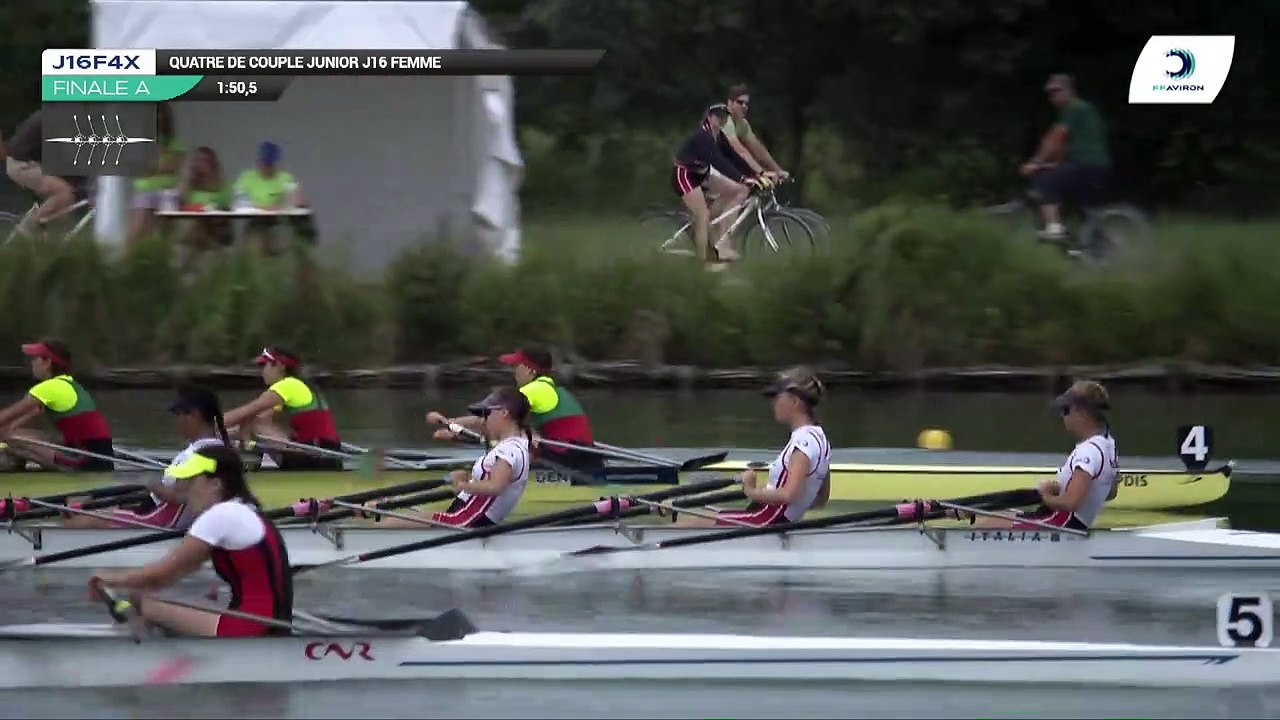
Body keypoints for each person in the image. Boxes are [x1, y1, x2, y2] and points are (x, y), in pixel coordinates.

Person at [89, 445, 293, 638]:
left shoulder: (222, 514)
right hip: (271, 621)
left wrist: (109, 580)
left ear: (216, 484)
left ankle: (139, 664)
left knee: (146, 602)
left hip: (250, 626)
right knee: (169, 596)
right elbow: (171, 576)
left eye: (191, 480)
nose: (183, 490)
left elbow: (159, 576)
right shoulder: (245, 509)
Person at [680, 367, 831, 527]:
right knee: (706, 515)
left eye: (776, 397)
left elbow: (788, 495)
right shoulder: (821, 439)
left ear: (795, 401)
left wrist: (751, 491)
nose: (773, 403)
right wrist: (792, 510)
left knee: (692, 522)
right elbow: (821, 498)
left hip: (765, 521)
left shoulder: (802, 443)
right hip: (773, 518)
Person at [66, 386, 232, 529]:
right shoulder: (217, 447)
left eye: (177, 414)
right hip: (158, 511)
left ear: (193, 416)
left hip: (162, 521)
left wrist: (151, 483)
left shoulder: (201, 455)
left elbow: (178, 496)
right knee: (78, 507)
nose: (175, 421)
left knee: (83, 520)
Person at [971, 380, 1118, 531]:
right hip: (1068, 522)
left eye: (1065, 410)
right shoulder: (1108, 445)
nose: (1062, 416)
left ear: (1081, 414)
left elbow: (1071, 503)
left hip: (1061, 525)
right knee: (993, 518)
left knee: (981, 526)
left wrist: (1047, 495)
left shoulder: (1087, 451)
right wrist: (1063, 490)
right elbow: (1111, 493)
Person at [428, 346, 601, 473]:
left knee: (507, 443)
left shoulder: (533, 390)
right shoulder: (554, 389)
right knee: (511, 437)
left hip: (566, 459)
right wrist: (455, 428)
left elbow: (490, 418)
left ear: (530, 369)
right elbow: (497, 423)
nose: (514, 371)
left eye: (516, 366)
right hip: (579, 455)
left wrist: (452, 426)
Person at [384, 387, 531, 528]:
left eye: (487, 413)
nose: (485, 419)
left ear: (504, 413)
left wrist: (462, 485)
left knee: (388, 524)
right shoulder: (515, 445)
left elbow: (495, 487)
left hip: (467, 522)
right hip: (468, 517)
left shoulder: (509, 450)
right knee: (389, 518)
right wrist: (449, 423)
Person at [1019, 74, 1111, 241]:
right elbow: (1064, 146)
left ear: (1069, 90)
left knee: (1045, 181)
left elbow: (1055, 138)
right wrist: (1052, 162)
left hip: (1085, 165)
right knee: (1086, 209)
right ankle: (1095, 247)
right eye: (1050, 93)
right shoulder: (1083, 110)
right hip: (1096, 166)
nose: (1053, 96)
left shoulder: (1074, 108)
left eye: (1057, 91)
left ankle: (1054, 228)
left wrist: (1035, 163)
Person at [0, 340, 114, 471]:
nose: (32, 363)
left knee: (13, 438)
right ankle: (13, 466)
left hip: (87, 461)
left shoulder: (50, 388)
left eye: (35, 358)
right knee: (15, 435)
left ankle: (12, 467)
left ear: (47, 362)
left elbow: (6, 416)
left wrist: (6, 435)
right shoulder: (69, 384)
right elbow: (26, 417)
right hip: (97, 455)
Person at [222, 347, 342, 470]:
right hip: (326, 453)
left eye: (264, 365)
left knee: (255, 422)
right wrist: (224, 434)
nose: (262, 371)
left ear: (279, 365)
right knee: (255, 421)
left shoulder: (288, 386)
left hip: (316, 457)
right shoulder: (299, 385)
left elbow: (244, 412)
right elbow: (259, 417)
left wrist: (208, 427)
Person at [670, 104, 759, 266]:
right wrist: (741, 177)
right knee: (702, 214)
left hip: (701, 173)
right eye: (718, 116)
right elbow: (718, 161)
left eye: (725, 117)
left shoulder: (718, 135)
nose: (722, 120)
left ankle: (719, 236)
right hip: (685, 175)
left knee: (739, 191)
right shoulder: (703, 136)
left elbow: (732, 156)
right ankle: (704, 261)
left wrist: (756, 175)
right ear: (710, 117)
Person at [4, 110, 76, 236]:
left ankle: (46, 242)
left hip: (28, 162)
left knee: (60, 209)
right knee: (63, 192)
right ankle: (29, 228)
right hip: (22, 165)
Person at [233, 141, 313, 254]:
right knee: (253, 244)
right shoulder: (246, 177)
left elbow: (298, 200)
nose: (266, 167)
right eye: (264, 162)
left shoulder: (285, 178)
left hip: (278, 223)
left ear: (277, 163)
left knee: (282, 239)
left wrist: (279, 205)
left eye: (270, 163)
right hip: (256, 222)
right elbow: (239, 202)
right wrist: (265, 207)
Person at [130, 104, 185, 243]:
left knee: (167, 233)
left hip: (168, 191)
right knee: (138, 231)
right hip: (144, 189)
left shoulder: (174, 142)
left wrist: (153, 167)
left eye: (160, 115)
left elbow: (172, 166)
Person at [175, 146, 233, 272]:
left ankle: (190, 264)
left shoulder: (221, 184)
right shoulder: (190, 183)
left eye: (203, 160)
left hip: (216, 225)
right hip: (193, 224)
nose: (199, 164)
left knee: (199, 225)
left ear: (212, 163)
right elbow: (179, 203)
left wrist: (208, 208)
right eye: (197, 160)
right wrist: (188, 180)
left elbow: (226, 205)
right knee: (193, 225)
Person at [718, 84, 789, 181]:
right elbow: (740, 151)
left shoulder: (742, 124)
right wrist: (762, 173)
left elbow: (757, 148)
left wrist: (778, 171)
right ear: (730, 103)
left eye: (746, 104)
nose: (744, 106)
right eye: (740, 102)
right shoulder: (724, 119)